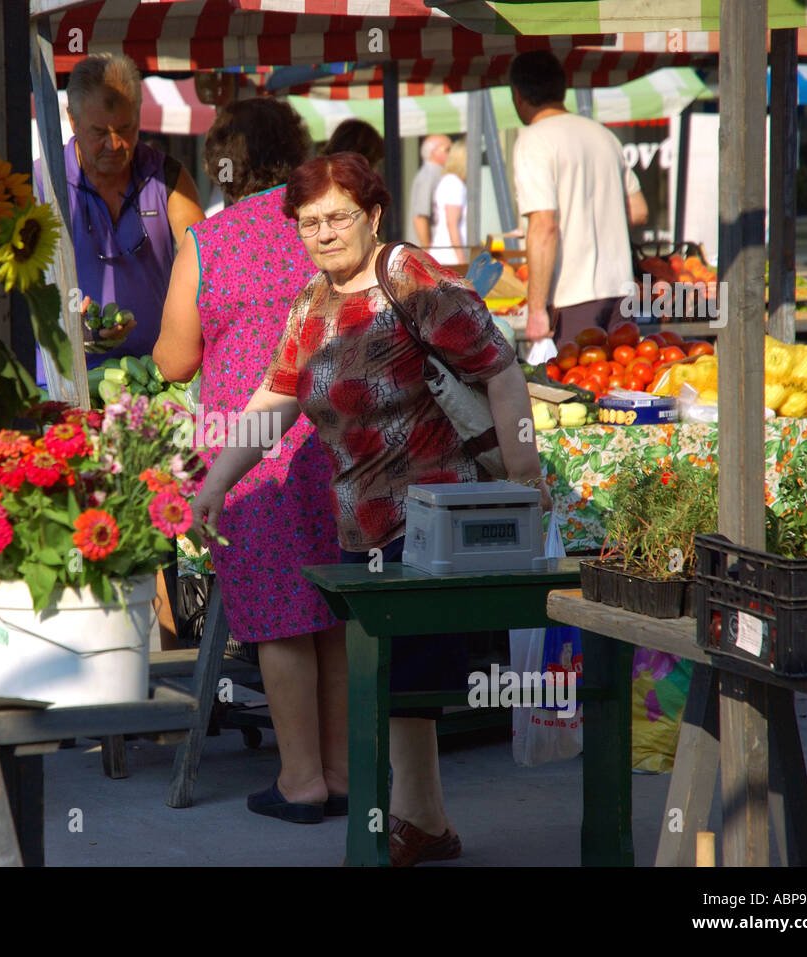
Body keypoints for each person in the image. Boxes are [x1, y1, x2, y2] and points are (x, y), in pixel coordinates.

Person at [190, 152, 550, 865]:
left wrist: (524, 476)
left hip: (433, 523)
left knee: (404, 680)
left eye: (338, 217)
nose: (322, 233)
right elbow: (275, 401)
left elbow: (500, 368)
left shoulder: (407, 275)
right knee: (396, 685)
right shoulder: (311, 304)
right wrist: (216, 481)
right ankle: (427, 823)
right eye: (309, 221)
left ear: (374, 214)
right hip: (365, 526)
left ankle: (410, 826)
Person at [153, 99, 347, 823]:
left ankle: (300, 782)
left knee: (278, 616)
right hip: (336, 442)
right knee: (336, 609)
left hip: (250, 452)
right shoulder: (326, 228)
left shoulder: (208, 240)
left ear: (222, 163)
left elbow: (174, 361)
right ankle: (344, 771)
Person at [50, 53, 206, 365]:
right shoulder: (44, 184)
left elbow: (206, 268)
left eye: (125, 128)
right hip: (64, 379)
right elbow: (18, 286)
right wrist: (67, 323)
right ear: (72, 120)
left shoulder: (167, 177)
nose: (115, 143)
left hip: (154, 377)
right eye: (99, 132)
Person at [508, 51, 648, 347]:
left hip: (574, 296)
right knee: (620, 387)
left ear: (518, 95)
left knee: (575, 390)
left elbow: (544, 225)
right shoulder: (603, 134)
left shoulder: (534, 140)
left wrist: (535, 310)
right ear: (562, 89)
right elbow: (638, 210)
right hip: (621, 291)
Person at [431, 139, 468, 267]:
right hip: (450, 258)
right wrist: (461, 259)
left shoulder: (448, 181)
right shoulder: (454, 183)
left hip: (444, 255)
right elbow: (452, 223)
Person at [409, 134, 451, 247]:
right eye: (448, 149)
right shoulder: (429, 176)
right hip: (427, 255)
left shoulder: (436, 174)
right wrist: (428, 251)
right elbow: (420, 217)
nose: (452, 154)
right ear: (433, 152)